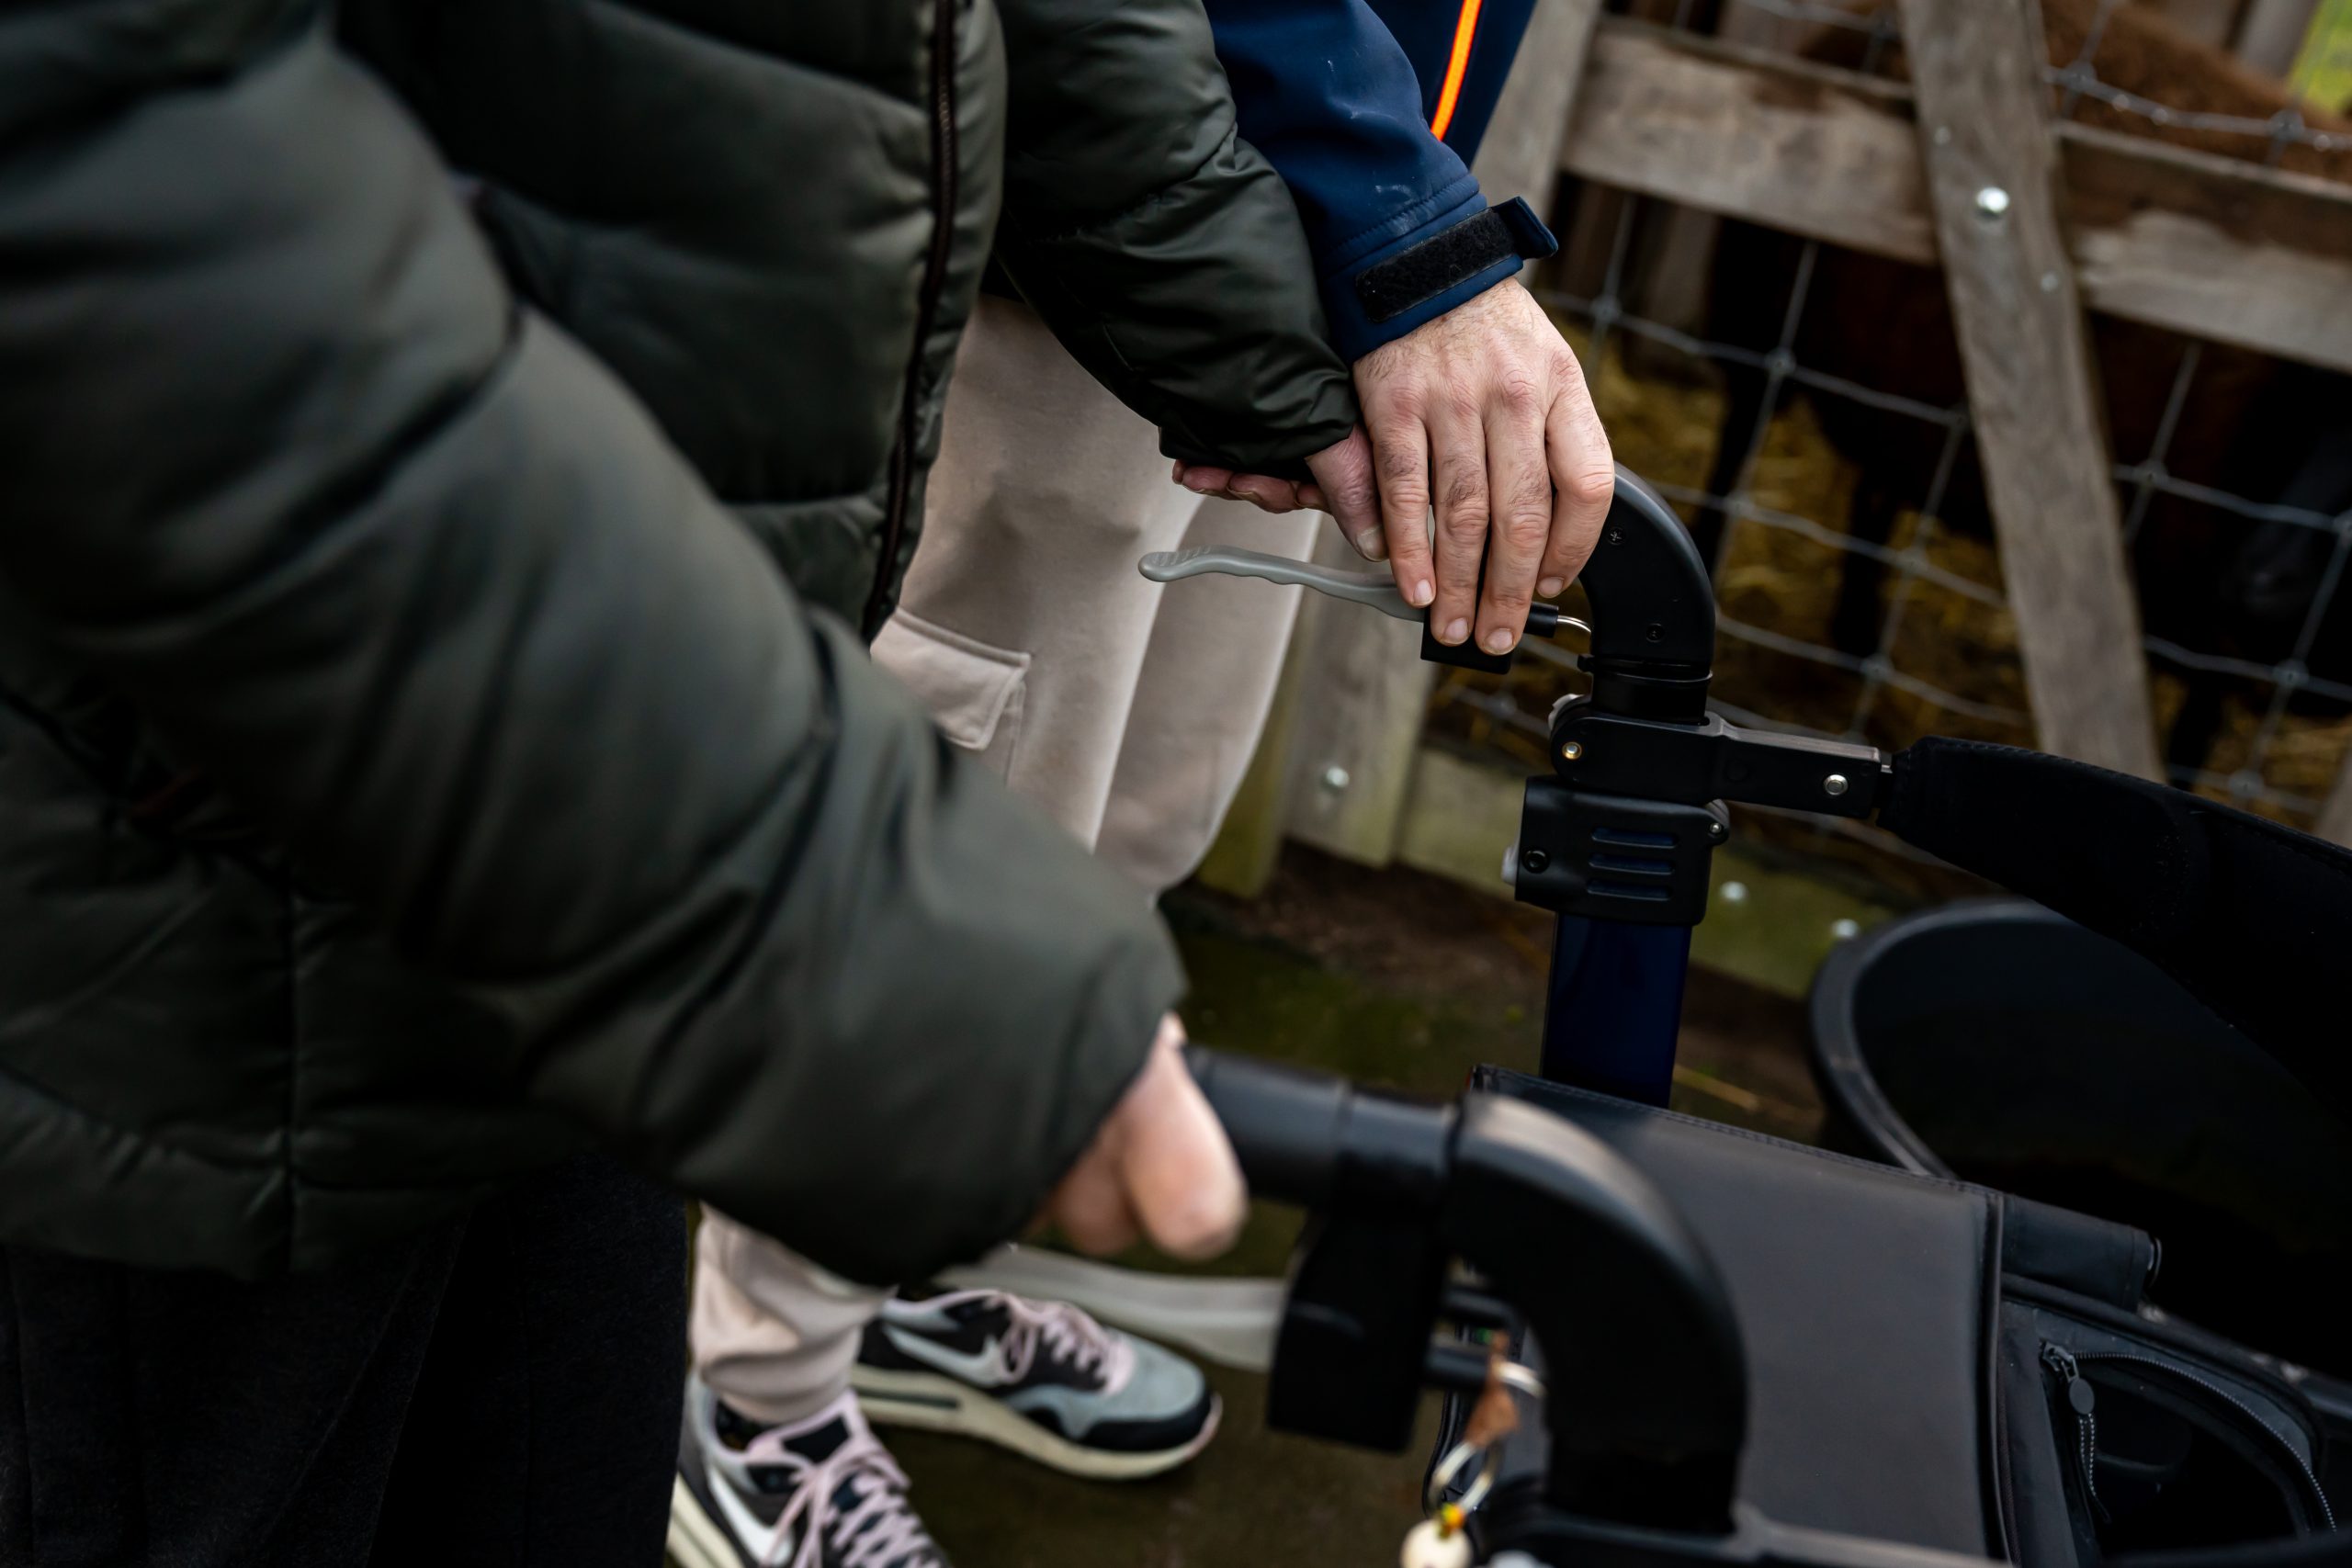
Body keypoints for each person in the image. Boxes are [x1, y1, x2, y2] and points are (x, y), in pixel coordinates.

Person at [0, 1, 1384, 1562]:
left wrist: (1335, 328)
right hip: (202, 911)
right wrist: (801, 870)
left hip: (601, 865)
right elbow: (120, 199)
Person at [675, 5, 1618, 1565]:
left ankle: (908, 1273)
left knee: (1141, 815)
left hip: (1336, 200)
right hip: (1093, 192)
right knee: (976, 820)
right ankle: (750, 1395)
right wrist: (1385, 199)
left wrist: (1376, 201)